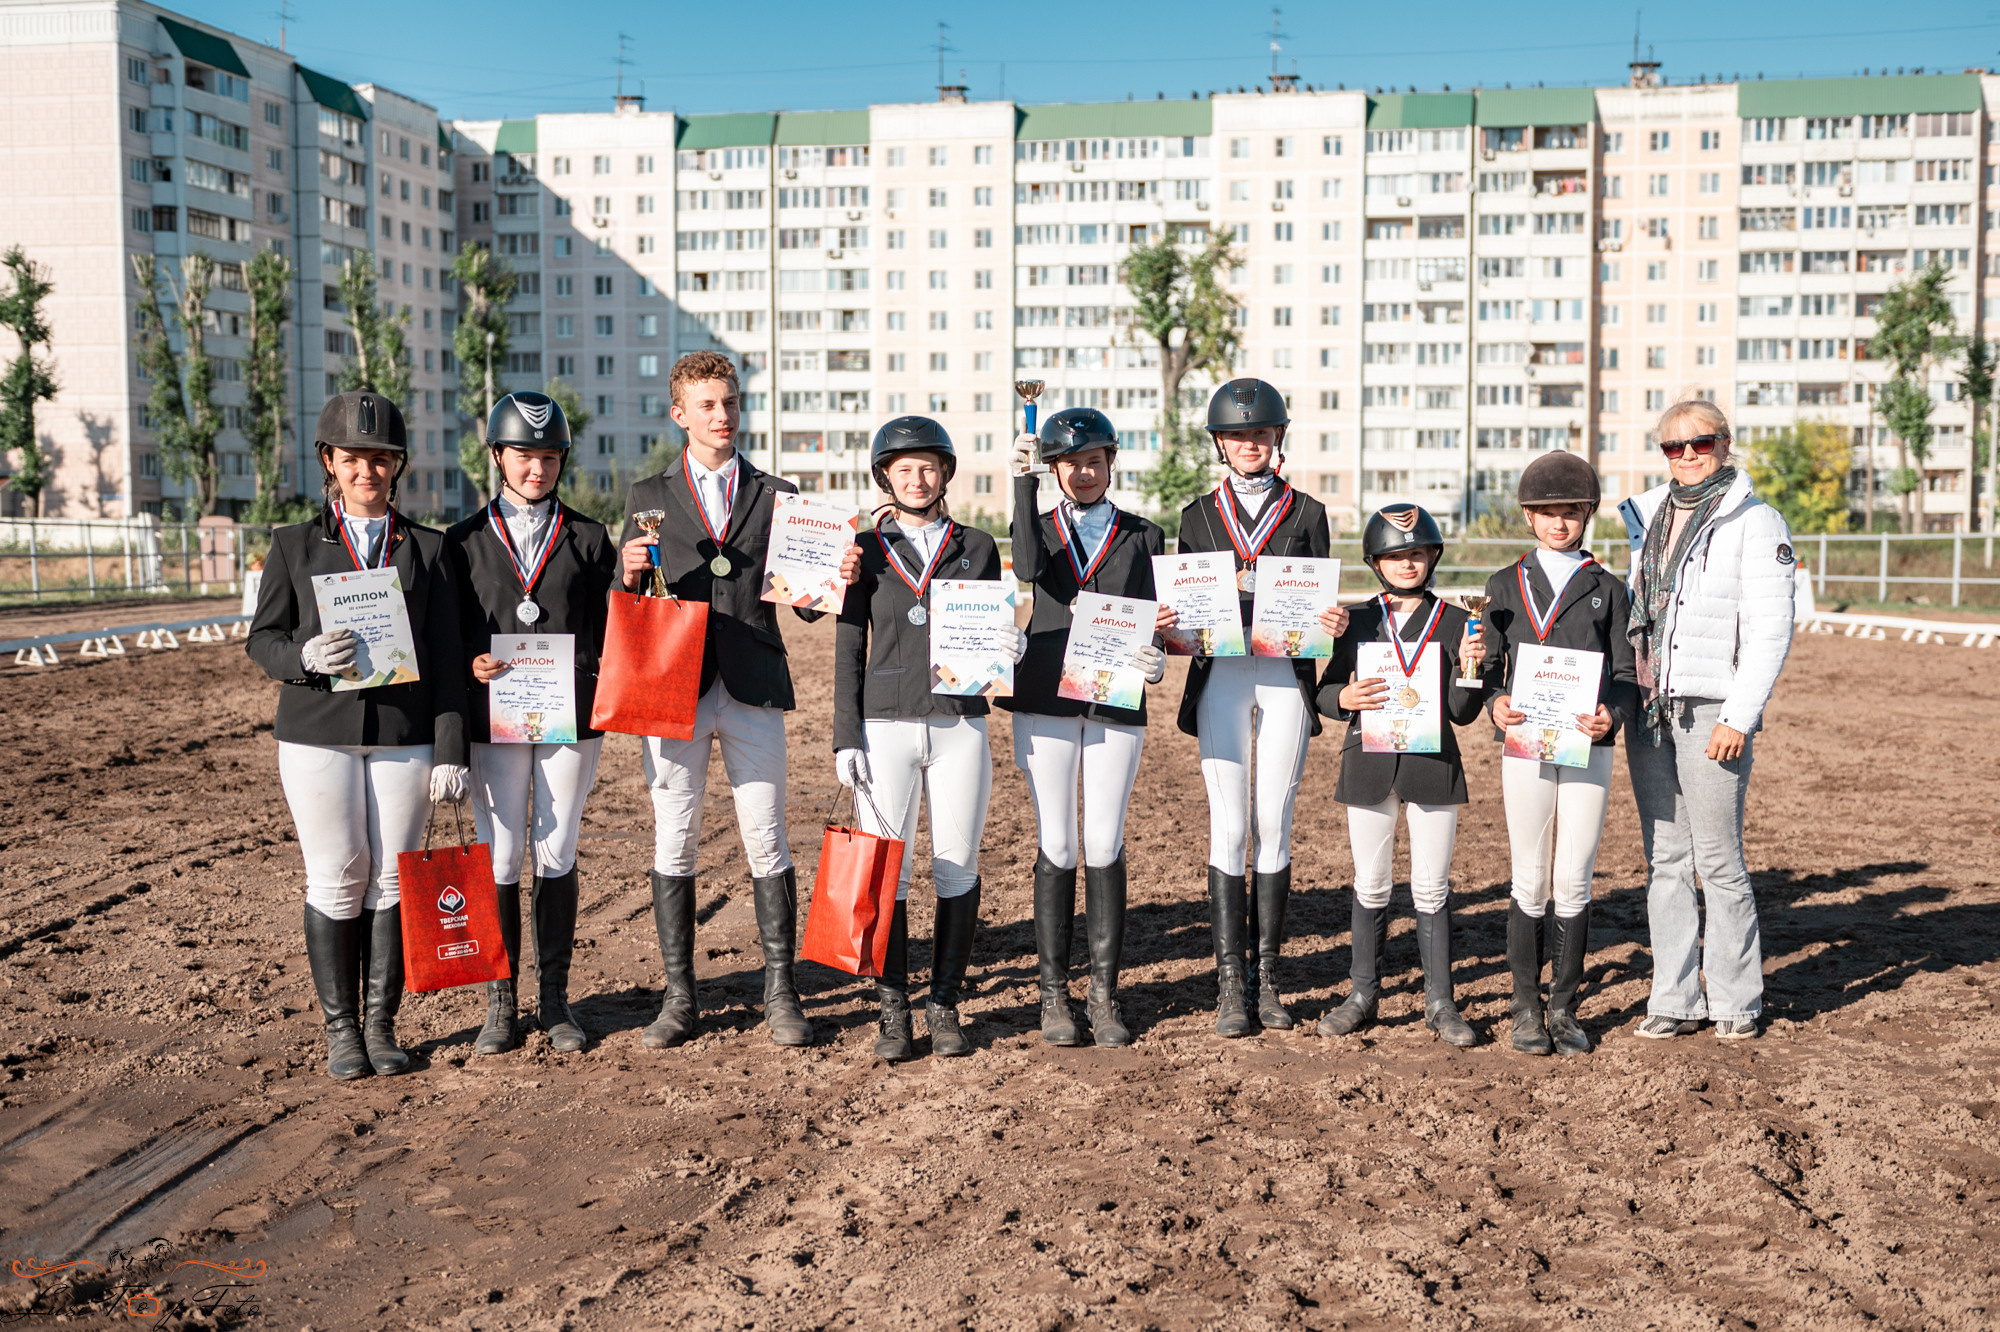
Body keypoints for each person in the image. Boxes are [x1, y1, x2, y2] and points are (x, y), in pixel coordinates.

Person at [617, 351, 858, 1050]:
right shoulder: (645, 496)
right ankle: (679, 998)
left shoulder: (779, 494)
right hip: (673, 688)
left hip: (752, 684)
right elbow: (632, 595)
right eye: (707, 405)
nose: (722, 416)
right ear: (679, 413)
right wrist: (625, 568)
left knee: (765, 834)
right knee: (676, 837)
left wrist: (833, 576)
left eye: (730, 402)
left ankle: (781, 993)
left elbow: (807, 606)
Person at [246, 392, 468, 1080]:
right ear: (329, 463)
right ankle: (342, 1029)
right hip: (317, 735)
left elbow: (450, 656)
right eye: (352, 459)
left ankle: (381, 1025)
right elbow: (264, 640)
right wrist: (304, 658)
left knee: (393, 883)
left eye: (379, 459)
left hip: (404, 736)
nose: (366, 470)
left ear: (396, 465)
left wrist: (451, 747)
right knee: (338, 877)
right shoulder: (291, 544)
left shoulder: (429, 549)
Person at [833, 416, 1022, 1060]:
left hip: (960, 722)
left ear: (945, 473)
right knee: (889, 872)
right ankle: (894, 1009)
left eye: (928, 467)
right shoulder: (862, 546)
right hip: (883, 725)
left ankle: (944, 1002)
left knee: (956, 866)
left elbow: (989, 624)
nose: (916, 478)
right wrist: (844, 734)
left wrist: (1008, 647)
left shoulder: (977, 543)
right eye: (903, 468)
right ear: (885, 474)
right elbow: (847, 644)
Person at [1168, 378, 1345, 1038]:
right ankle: (1229, 985)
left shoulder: (1309, 513)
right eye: (1239, 435)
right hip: (1221, 678)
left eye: (1262, 434)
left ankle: (1267, 977)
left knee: (1274, 821)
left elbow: (1320, 597)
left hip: (1282, 679)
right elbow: (1188, 613)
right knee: (1230, 826)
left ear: (1278, 440)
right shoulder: (1195, 517)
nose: (1250, 444)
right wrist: (1170, 625)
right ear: (1220, 442)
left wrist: (1330, 618)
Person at [446, 391, 617, 1056]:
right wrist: (471, 658)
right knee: (503, 852)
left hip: (569, 714)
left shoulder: (591, 537)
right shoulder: (461, 542)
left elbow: (608, 630)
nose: (536, 469)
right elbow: (450, 631)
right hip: (496, 715)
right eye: (523, 455)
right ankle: (500, 1004)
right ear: (497, 457)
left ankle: (555, 1001)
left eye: (548, 457)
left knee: (557, 847)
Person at [1620, 400, 1795, 1041]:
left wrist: (1738, 717)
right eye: (1674, 446)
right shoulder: (1649, 518)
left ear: (1725, 443)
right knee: (1665, 860)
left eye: (1701, 442)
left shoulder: (1755, 520)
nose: (1688, 454)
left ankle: (1735, 1000)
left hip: (1709, 711)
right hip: (1650, 708)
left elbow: (1772, 630)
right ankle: (1673, 996)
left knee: (1720, 861)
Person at [1004, 408, 1169, 1048]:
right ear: (1053, 469)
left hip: (1113, 698)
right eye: (1069, 463)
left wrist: (1159, 655)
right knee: (1059, 843)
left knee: (1102, 842)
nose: (1083, 471)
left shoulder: (1143, 534)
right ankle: (1054, 997)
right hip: (1045, 694)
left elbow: (1161, 614)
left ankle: (1103, 995)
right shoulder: (1036, 529)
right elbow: (1023, 569)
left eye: (1094, 460)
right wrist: (1021, 482)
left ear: (1111, 462)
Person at [1478, 453, 1638, 1056]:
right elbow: (1487, 667)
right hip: (1523, 746)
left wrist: (1613, 715)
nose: (1559, 524)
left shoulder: (1608, 588)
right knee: (1529, 874)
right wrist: (1494, 702)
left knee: (1574, 876)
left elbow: (1625, 674)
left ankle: (1564, 1007)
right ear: (1528, 516)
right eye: (1547, 513)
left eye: (1571, 513)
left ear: (1587, 515)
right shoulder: (1502, 585)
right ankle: (1524, 1005)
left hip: (1585, 745)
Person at [1316, 504, 1486, 1046]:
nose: (1407, 564)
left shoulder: (1459, 622)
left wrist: (1472, 668)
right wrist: (1342, 697)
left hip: (1432, 764)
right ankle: (1362, 994)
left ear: (1432, 555)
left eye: (1416, 553)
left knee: (1433, 886)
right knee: (1371, 882)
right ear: (1376, 562)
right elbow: (1323, 691)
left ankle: (1441, 1002)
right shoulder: (1357, 619)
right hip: (1367, 761)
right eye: (1395, 555)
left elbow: (1461, 711)